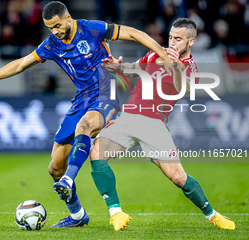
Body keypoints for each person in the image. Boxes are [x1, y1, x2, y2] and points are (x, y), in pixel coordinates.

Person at [0, 1, 171, 228]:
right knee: (55, 167)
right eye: (50, 28)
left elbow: (134, 33)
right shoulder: (51, 44)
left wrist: (163, 55)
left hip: (106, 91)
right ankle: (78, 215)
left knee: (85, 127)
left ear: (68, 16)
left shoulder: (92, 28)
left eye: (58, 26)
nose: (55, 31)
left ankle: (69, 179)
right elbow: (22, 63)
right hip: (81, 99)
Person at [88, 18, 236, 231]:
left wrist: (174, 66)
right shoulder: (154, 53)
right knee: (96, 152)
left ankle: (212, 215)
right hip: (128, 117)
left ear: (191, 42)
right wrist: (118, 67)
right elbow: (134, 69)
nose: (172, 43)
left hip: (154, 124)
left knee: (178, 177)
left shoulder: (189, 66)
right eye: (170, 38)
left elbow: (181, 88)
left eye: (178, 39)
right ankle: (116, 213)